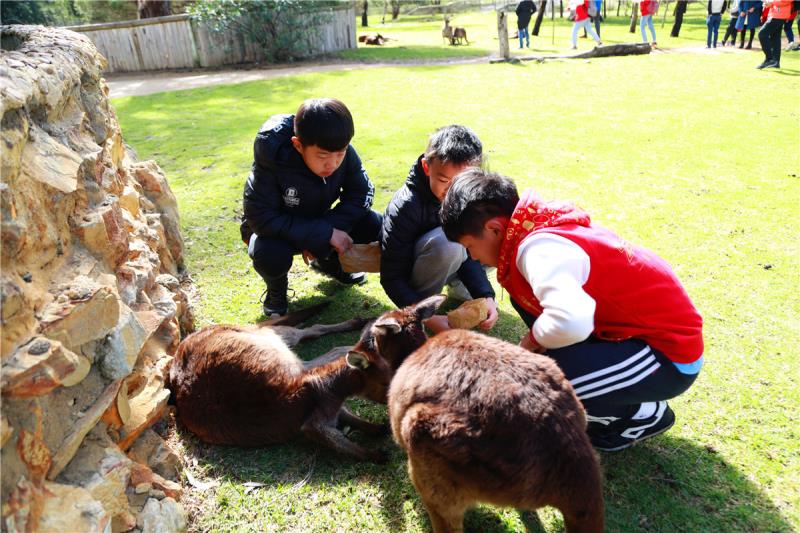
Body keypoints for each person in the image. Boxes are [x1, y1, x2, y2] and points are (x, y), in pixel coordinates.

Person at [440, 169, 704, 452]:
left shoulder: (538, 250)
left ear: (495, 229)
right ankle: (612, 392)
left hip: (668, 353)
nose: (472, 256)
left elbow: (571, 321)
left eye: (470, 246)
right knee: (540, 364)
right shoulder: (533, 228)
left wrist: (530, 343)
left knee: (540, 385)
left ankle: (642, 414)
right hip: (625, 333)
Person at [241, 98, 382, 317]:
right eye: (323, 156)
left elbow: (361, 194)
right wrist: (322, 234)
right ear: (298, 145)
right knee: (267, 251)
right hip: (278, 231)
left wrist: (324, 235)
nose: (332, 164)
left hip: (321, 219)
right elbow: (261, 217)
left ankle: (332, 264)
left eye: (340, 154)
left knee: (373, 224)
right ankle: (276, 290)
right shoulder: (272, 155)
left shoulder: (341, 150)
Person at [379, 125, 498, 333]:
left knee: (488, 236)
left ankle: (460, 288)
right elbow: (392, 278)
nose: (453, 191)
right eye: (444, 180)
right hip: (416, 274)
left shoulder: (466, 194)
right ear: (427, 167)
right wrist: (426, 318)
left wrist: (486, 296)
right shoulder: (406, 206)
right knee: (449, 244)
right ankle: (427, 304)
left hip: (452, 262)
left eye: (461, 182)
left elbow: (470, 249)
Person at [758, 0, 794, 67]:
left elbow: (786, 1)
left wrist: (771, 2)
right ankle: (776, 62)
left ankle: (770, 59)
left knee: (762, 34)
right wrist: (769, 4)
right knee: (775, 38)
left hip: (778, 15)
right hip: (777, 14)